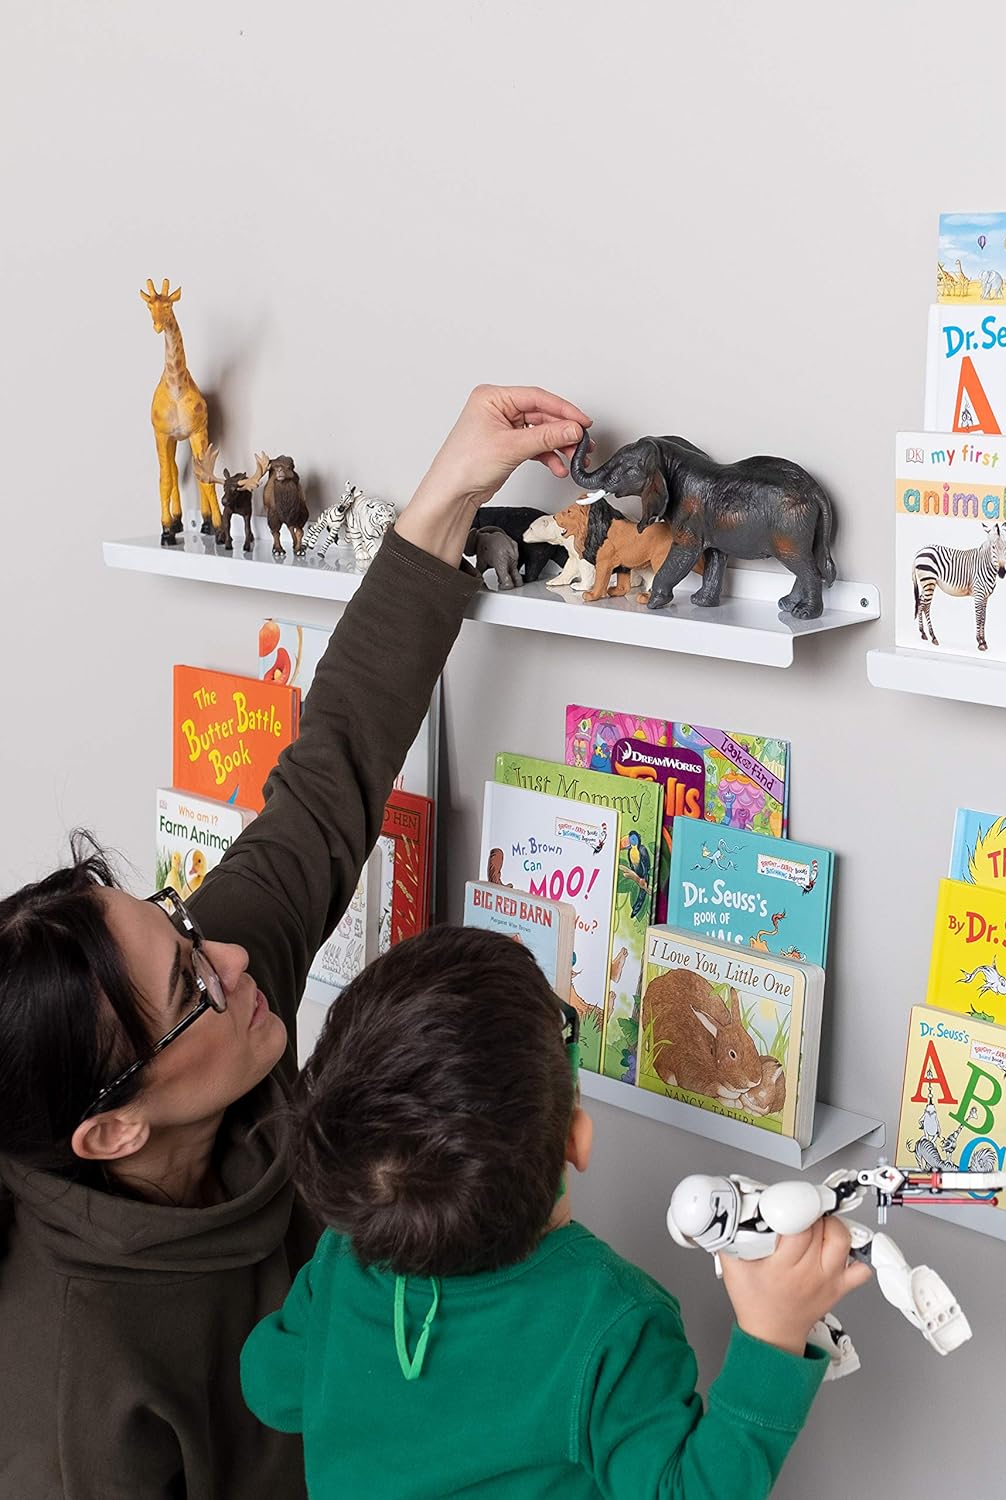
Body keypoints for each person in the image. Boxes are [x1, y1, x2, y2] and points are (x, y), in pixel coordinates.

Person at [0, 385, 590, 1499]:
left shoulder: (217, 1015)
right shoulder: (70, 1413)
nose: (231, 958)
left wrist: (450, 491)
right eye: (192, 982)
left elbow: (327, 782)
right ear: (112, 1133)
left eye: (180, 926)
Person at [240, 925, 868, 1499]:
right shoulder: (613, 1319)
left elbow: (269, 1384)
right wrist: (773, 1336)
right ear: (577, 1139)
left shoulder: (342, 1263)